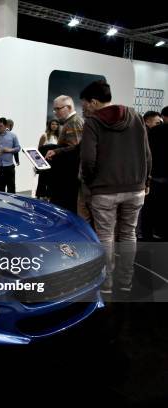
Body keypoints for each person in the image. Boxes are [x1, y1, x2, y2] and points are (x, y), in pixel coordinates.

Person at [79, 80, 152, 298]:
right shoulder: (136, 116)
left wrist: (91, 182)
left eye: (85, 103)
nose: (83, 107)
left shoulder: (92, 122)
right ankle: (126, 281)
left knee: (105, 236)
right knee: (129, 234)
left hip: (104, 190)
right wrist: (146, 180)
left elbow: (88, 158)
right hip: (136, 188)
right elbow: (147, 154)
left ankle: (106, 284)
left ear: (93, 102)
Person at [44, 95, 89, 220]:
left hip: (69, 179)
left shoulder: (74, 122)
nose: (55, 112)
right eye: (54, 109)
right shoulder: (72, 122)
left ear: (68, 107)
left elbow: (76, 149)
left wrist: (56, 152)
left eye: (58, 109)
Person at [35, 120, 60, 200]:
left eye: (56, 124)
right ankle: (40, 196)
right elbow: (39, 150)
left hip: (55, 162)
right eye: (53, 124)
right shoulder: (44, 136)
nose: (54, 125)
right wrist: (38, 164)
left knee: (52, 180)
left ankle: (50, 196)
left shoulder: (59, 137)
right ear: (49, 125)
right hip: (45, 162)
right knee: (42, 179)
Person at [0, 117, 21, 193]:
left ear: (6, 126)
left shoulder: (13, 136)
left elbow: (18, 147)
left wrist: (10, 150)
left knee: (11, 188)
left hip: (9, 167)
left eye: (0, 126)